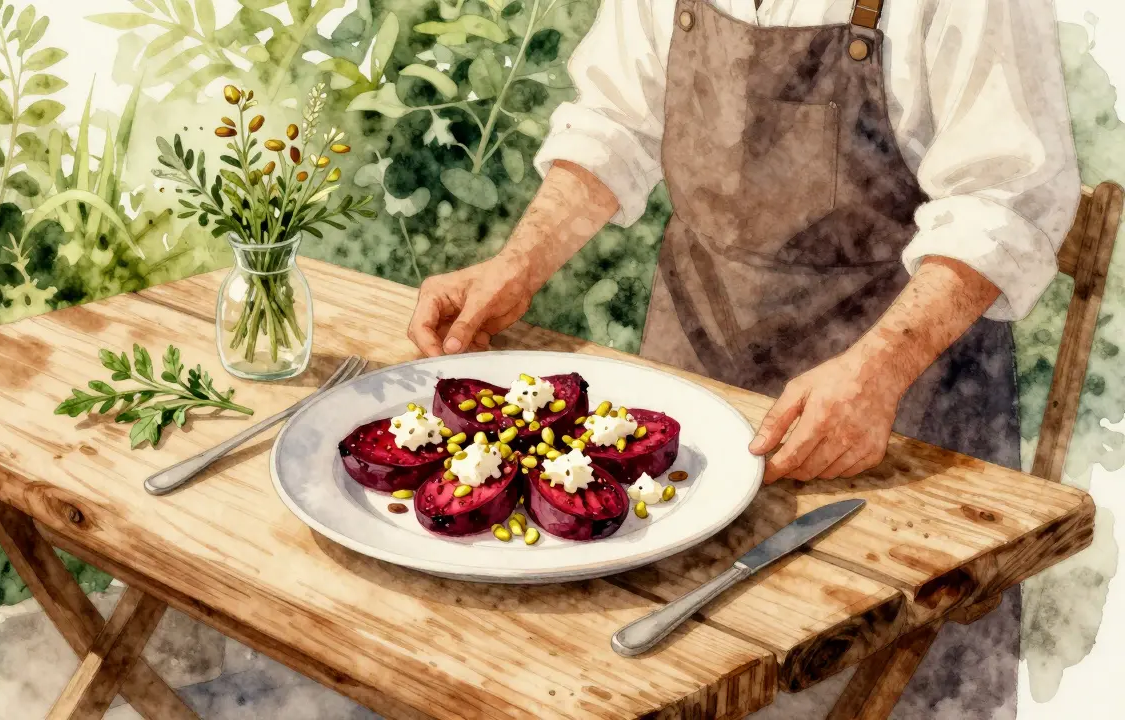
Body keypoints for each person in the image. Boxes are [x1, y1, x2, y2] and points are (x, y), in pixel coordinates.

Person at [407, 0, 1080, 716]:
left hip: (896, 411)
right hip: (694, 380)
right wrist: (516, 265)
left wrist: (878, 369)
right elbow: (614, 121)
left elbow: (1003, 202)